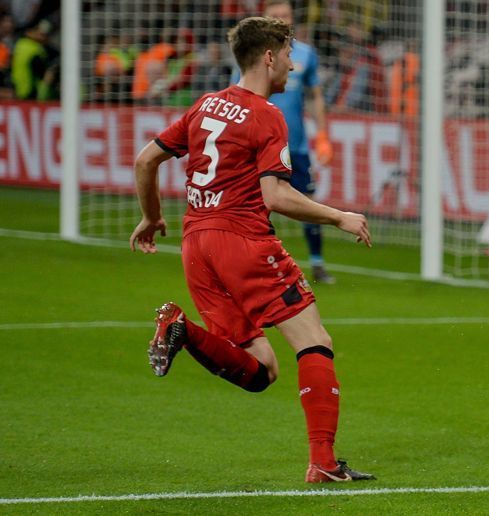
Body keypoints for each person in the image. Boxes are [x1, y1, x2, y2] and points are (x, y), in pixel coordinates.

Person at [129, 16, 375, 483]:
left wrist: (151, 216)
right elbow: (276, 197)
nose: (290, 67)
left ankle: (182, 328)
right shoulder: (267, 115)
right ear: (268, 57)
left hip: (196, 246)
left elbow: (146, 160)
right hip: (243, 242)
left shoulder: (205, 105)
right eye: (286, 57)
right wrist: (339, 215)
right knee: (315, 342)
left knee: (261, 371)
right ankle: (323, 463)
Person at [264, 0, 336, 283]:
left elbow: (315, 95)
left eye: (285, 16)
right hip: (262, 143)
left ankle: (317, 263)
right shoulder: (253, 54)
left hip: (296, 146)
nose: (281, 20)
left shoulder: (305, 54)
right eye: (275, 16)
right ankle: (260, 264)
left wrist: (322, 135)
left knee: (309, 203)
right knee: (259, 205)